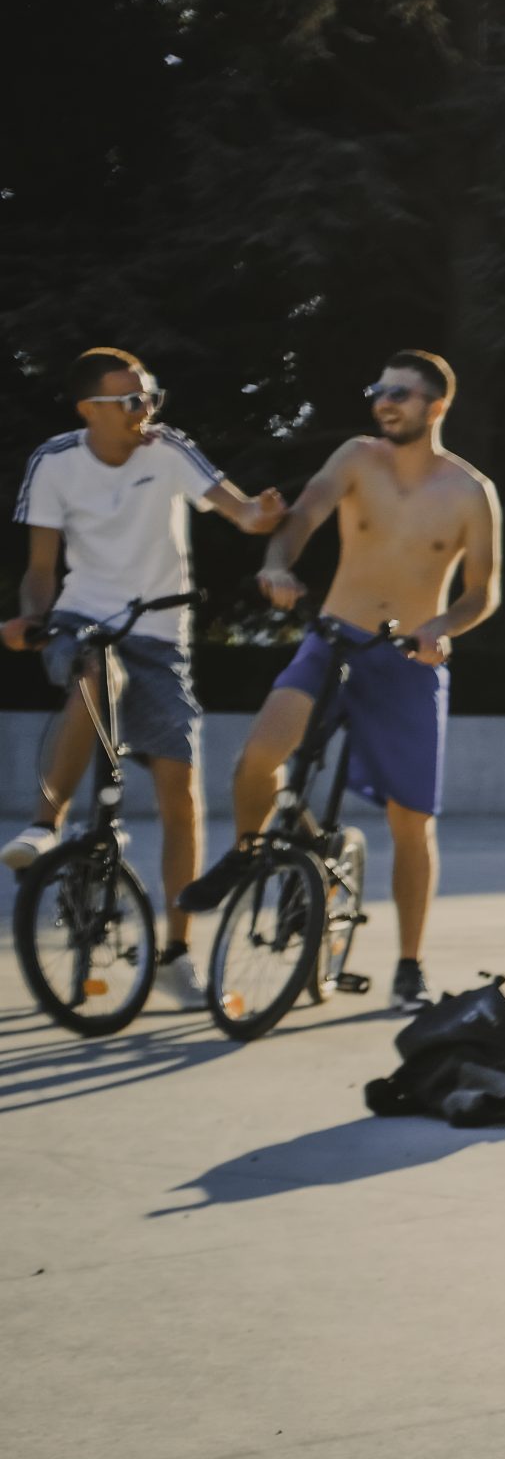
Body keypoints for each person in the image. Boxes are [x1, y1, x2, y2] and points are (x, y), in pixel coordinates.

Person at [177, 351, 501, 1012]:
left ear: (437, 405)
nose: (385, 401)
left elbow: (483, 591)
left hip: (408, 660)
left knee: (412, 821)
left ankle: (409, 964)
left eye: (402, 394)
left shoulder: (470, 491)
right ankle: (249, 853)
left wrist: (441, 627)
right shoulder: (357, 457)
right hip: (333, 638)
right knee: (259, 757)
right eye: (379, 389)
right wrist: (276, 565)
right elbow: (303, 515)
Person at [4, 347, 286, 1005]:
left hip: (162, 636)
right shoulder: (54, 462)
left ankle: (176, 951)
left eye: (151, 395)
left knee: (179, 792)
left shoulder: (168, 451)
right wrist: (32, 617)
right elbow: (41, 566)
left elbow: (238, 510)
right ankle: (46, 825)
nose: (146, 410)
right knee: (99, 675)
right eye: (130, 400)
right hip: (81, 620)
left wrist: (260, 516)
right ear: (89, 410)